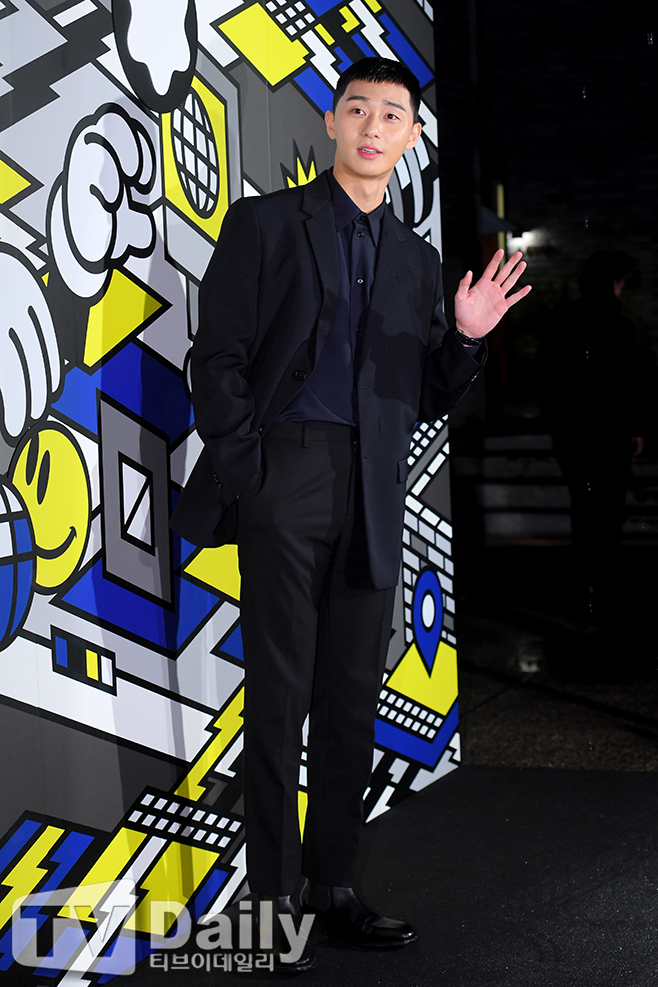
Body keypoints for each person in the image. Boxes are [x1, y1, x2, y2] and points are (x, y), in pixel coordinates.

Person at [171, 57, 530, 970]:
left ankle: (332, 888)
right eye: (358, 109)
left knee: (351, 699)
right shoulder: (264, 223)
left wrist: (469, 339)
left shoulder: (415, 259)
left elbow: (427, 392)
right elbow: (216, 357)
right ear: (332, 122)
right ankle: (269, 906)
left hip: (373, 486)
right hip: (283, 476)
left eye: (392, 115)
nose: (373, 127)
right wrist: (251, 470)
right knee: (279, 697)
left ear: (410, 138)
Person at [539, 250, 646, 621]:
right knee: (610, 508)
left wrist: (555, 420)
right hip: (610, 431)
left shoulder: (562, 320)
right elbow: (631, 380)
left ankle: (583, 584)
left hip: (572, 431)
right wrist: (635, 427)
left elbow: (548, 375)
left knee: (583, 505)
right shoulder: (621, 325)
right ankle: (605, 588)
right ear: (614, 283)